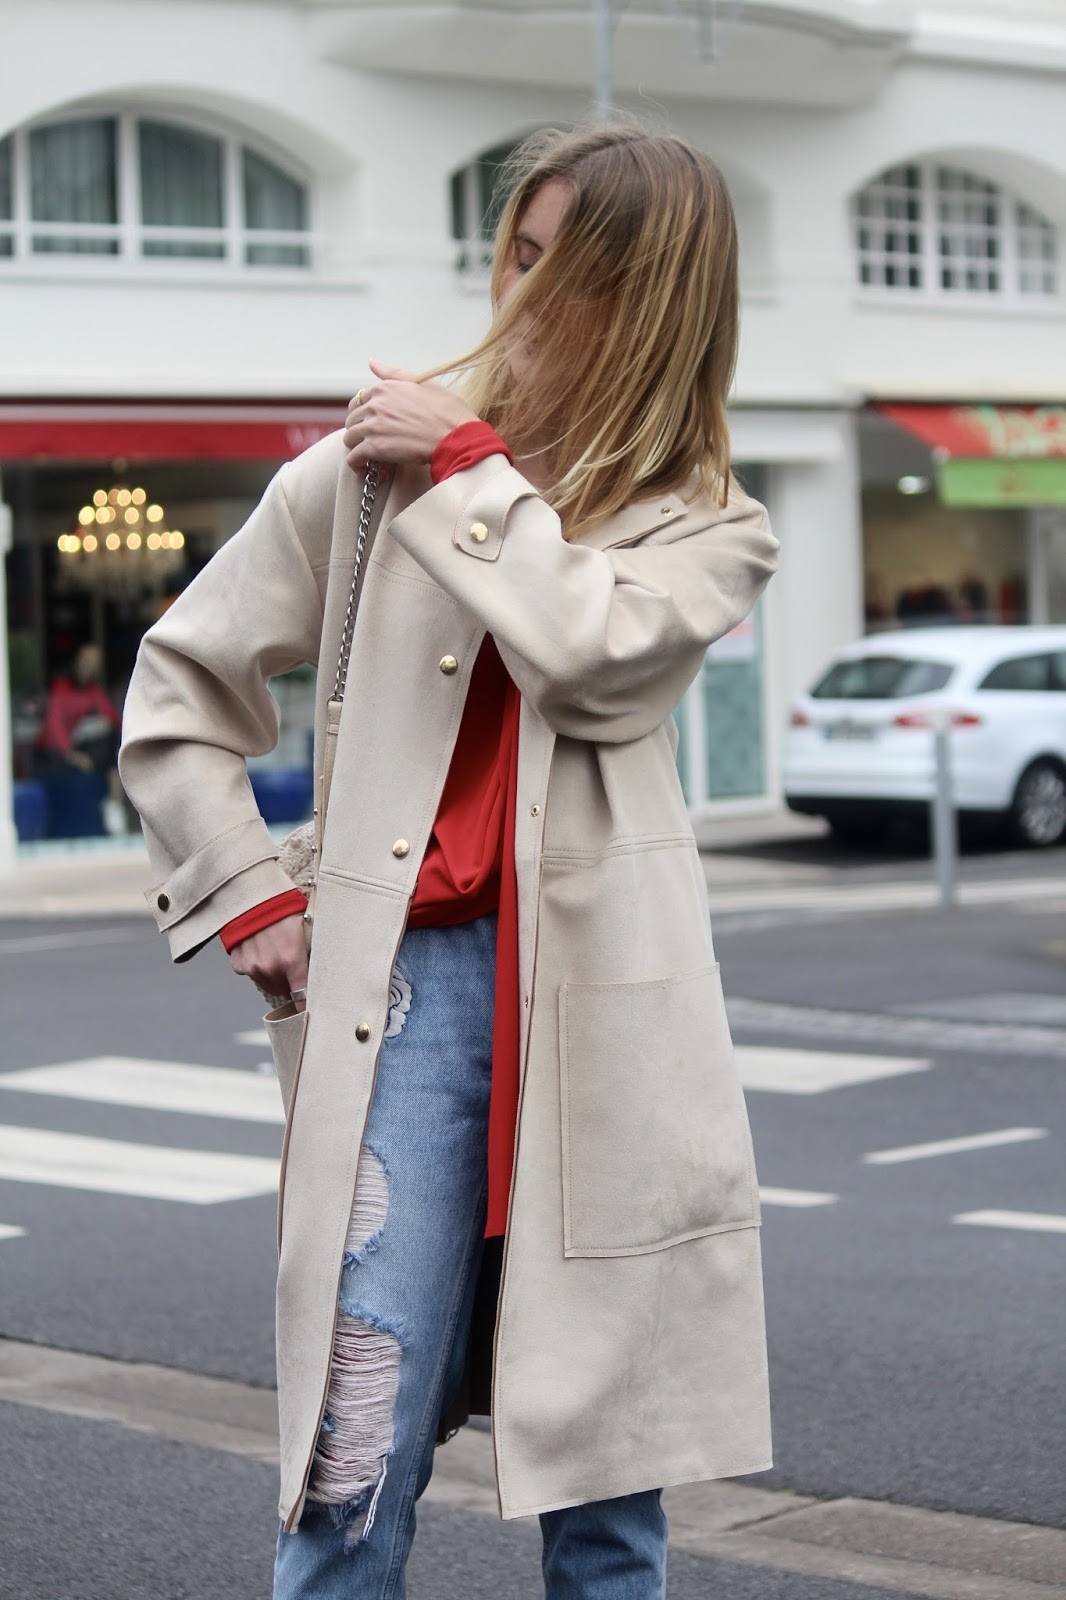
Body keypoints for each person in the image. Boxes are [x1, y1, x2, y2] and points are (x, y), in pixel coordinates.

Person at [119, 122, 780, 1600]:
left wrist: (469, 470)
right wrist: (247, 887)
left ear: (658, 305)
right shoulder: (368, 474)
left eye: (579, 275)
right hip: (402, 999)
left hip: (603, 1017)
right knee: (352, 1467)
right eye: (523, 255)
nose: (531, 300)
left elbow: (595, 662)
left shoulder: (705, 524)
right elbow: (178, 692)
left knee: (609, 1501)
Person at [37, 642, 127, 834]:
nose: (90, 666)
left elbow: (112, 716)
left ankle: (114, 803)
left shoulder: (92, 689)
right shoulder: (62, 687)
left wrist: (105, 720)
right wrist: (71, 754)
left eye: (95, 663)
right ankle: (114, 804)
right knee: (109, 750)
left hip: (83, 746)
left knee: (111, 738)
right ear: (78, 660)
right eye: (87, 661)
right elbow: (55, 725)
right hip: (57, 750)